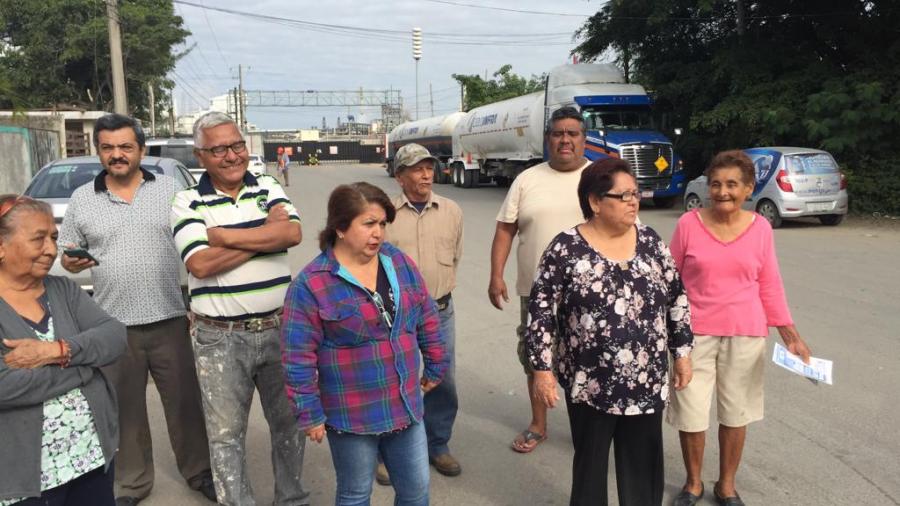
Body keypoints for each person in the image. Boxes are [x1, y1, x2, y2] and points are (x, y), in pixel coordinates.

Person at [58, 113, 215, 506]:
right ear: (99, 152)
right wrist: (71, 262)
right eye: (108, 147)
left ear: (141, 150)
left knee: (185, 404)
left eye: (125, 146)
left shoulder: (170, 191)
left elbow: (200, 241)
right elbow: (66, 252)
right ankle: (131, 483)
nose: (117, 154)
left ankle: (199, 472)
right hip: (113, 325)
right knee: (124, 409)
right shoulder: (81, 199)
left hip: (170, 318)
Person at [528, 159, 694, 505]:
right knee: (590, 469)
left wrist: (682, 355)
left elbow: (676, 298)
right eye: (623, 196)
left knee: (643, 469)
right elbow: (541, 312)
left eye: (636, 193)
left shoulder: (650, 241)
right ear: (595, 202)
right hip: (590, 383)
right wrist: (542, 371)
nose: (634, 202)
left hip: (646, 381)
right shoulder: (565, 249)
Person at [170, 112, 309, 506]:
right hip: (219, 338)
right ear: (201, 155)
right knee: (226, 436)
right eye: (219, 149)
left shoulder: (266, 184)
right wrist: (264, 235)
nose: (232, 156)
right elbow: (199, 264)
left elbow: (293, 233)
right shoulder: (186, 200)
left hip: (281, 329)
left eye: (237, 145)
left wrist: (221, 236)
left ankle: (292, 499)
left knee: (289, 426)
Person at [281, 182, 447, 506]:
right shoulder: (311, 284)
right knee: (356, 495)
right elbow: (296, 357)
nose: (378, 233)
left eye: (383, 224)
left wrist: (437, 362)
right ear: (340, 227)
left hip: (405, 405)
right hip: (351, 414)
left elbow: (425, 313)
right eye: (369, 223)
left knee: (416, 492)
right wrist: (310, 413)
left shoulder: (396, 261)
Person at [667, 150, 812, 506]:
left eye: (732, 184)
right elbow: (669, 280)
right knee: (691, 410)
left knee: (736, 411)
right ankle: (694, 483)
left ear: (748, 188)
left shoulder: (760, 228)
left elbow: (769, 283)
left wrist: (790, 335)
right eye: (716, 184)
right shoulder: (688, 224)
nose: (722, 192)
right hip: (693, 334)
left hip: (745, 332)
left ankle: (727, 485)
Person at [0, 195, 127, 505]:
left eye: (53, 237)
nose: (51, 249)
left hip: (90, 456)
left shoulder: (64, 290)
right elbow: (5, 387)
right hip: (26, 477)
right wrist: (87, 369)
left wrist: (56, 351)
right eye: (38, 239)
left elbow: (115, 337)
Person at [489, 106, 591, 453]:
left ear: (584, 139)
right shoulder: (527, 179)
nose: (565, 140)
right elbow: (505, 229)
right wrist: (495, 275)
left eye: (572, 133)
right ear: (548, 139)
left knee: (586, 360)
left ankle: (586, 429)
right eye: (558, 133)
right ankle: (538, 424)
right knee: (535, 357)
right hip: (535, 292)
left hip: (590, 295)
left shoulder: (600, 178)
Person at [380, 143, 464, 483]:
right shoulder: (386, 214)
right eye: (416, 168)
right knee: (393, 381)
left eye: (428, 167)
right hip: (395, 316)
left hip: (440, 311)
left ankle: (436, 444)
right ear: (400, 177)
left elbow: (455, 256)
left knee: (442, 380)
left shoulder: (451, 210)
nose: (426, 173)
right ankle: (388, 452)